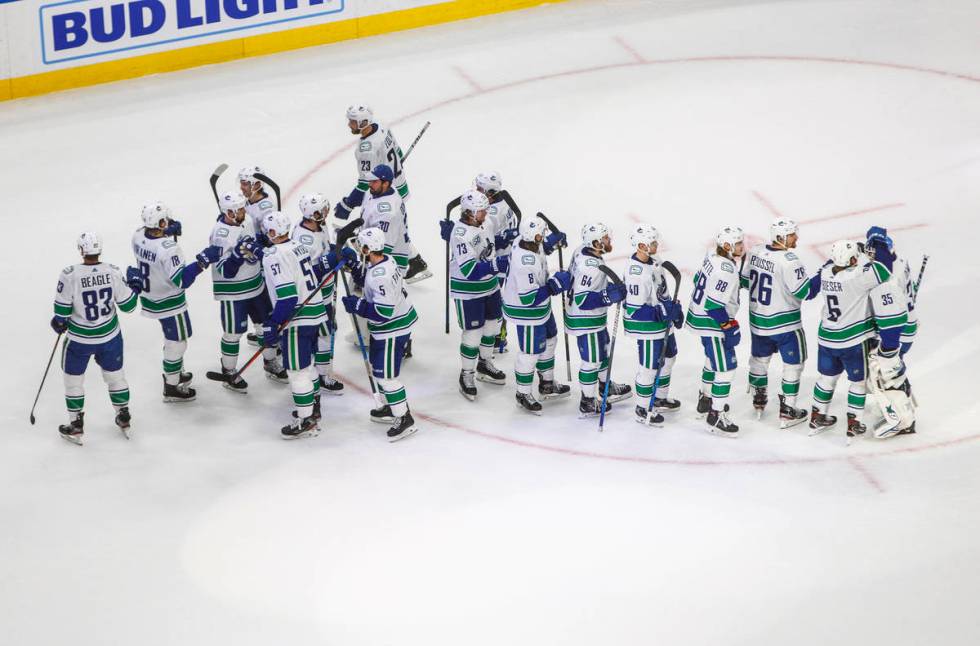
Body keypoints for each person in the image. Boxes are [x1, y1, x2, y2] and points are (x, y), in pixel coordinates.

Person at [807, 239, 903, 439]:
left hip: (826, 338)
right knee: (858, 382)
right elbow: (884, 270)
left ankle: (817, 416)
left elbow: (813, 284)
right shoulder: (857, 277)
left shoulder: (826, 272)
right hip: (852, 340)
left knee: (827, 378)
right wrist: (875, 250)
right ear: (851, 259)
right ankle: (854, 422)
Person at [52, 232, 139, 444]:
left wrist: (58, 323)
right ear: (99, 249)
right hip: (109, 337)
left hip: (79, 339)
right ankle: (123, 414)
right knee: (116, 377)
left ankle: (75, 424)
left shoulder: (69, 274)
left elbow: (61, 315)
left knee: (73, 382)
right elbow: (129, 306)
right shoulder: (113, 272)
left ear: (81, 251)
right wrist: (135, 286)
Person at [130, 201, 220, 402]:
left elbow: (153, 243)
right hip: (169, 301)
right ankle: (171, 385)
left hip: (150, 295)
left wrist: (165, 231)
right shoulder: (169, 248)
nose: (169, 222)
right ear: (160, 223)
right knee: (177, 342)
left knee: (175, 338)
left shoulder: (137, 235)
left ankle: (175, 372)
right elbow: (182, 280)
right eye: (166, 220)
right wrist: (202, 261)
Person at [334, 105, 429, 283]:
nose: (349, 125)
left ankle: (383, 267)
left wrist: (347, 204)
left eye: (353, 122)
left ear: (363, 123)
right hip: (397, 185)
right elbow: (398, 152)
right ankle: (415, 260)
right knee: (394, 228)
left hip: (384, 191)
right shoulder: (382, 126)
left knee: (381, 229)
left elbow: (364, 184)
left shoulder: (367, 149)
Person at [341, 227, 419, 441]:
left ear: (368, 248)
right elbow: (368, 274)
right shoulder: (385, 260)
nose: (358, 248)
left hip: (392, 328)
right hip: (393, 324)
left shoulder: (380, 277)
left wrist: (357, 305)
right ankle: (390, 406)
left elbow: (383, 312)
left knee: (386, 376)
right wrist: (355, 267)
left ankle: (404, 418)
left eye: (361, 246)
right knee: (378, 370)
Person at [260, 211, 331, 439]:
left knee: (297, 371)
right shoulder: (298, 245)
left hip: (298, 318)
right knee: (307, 366)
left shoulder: (273, 254)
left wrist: (273, 322)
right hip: (316, 311)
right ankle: (313, 407)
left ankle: (306, 420)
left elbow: (288, 296)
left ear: (272, 232)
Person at [204, 191, 280, 392]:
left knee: (268, 324)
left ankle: (270, 362)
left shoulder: (243, 222)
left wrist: (262, 242)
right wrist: (237, 254)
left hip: (256, 285)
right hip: (233, 293)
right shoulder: (220, 235)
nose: (242, 212)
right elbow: (225, 271)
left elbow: (253, 245)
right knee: (234, 333)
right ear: (228, 212)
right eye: (238, 210)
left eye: (242, 208)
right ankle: (228, 372)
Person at [739, 218, 811, 428]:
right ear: (781, 237)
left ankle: (759, 398)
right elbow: (805, 291)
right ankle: (788, 410)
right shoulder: (789, 260)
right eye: (792, 234)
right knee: (793, 365)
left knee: (759, 361)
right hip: (785, 324)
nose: (796, 237)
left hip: (758, 321)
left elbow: (744, 281)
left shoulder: (755, 251)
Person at [501, 215, 572, 414]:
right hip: (527, 311)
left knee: (551, 338)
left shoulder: (526, 241)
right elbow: (528, 298)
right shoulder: (525, 261)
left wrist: (551, 242)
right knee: (530, 352)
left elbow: (540, 248)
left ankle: (547, 383)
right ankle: (522, 393)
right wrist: (555, 285)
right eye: (543, 234)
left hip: (541, 308)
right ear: (535, 236)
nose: (544, 236)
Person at [565, 222, 632, 417]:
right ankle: (587, 401)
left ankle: (605, 386)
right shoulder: (590, 267)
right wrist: (608, 296)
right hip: (585, 319)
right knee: (591, 360)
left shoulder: (582, 250)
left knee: (604, 351)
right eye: (605, 239)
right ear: (595, 242)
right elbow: (583, 299)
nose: (608, 241)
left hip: (593, 318)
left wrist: (606, 291)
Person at [685, 225, 744, 436]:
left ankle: (706, 399)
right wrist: (728, 326)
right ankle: (715, 415)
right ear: (727, 246)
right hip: (711, 323)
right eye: (738, 243)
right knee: (726, 368)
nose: (742, 247)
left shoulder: (711, 255)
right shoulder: (725, 270)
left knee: (712, 361)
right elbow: (713, 305)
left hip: (698, 316)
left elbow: (696, 280)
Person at [449, 190, 508, 400]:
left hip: (490, 286)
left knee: (493, 326)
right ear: (469, 213)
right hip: (468, 291)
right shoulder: (459, 235)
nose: (486, 213)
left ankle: (484, 363)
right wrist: (495, 265)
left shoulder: (486, 223)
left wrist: (507, 239)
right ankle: (466, 374)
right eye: (482, 211)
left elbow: (490, 245)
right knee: (473, 334)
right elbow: (470, 271)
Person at [623, 224, 682, 426]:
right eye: (653, 242)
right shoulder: (635, 273)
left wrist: (673, 308)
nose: (657, 245)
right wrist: (664, 312)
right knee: (649, 367)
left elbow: (662, 292)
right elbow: (635, 311)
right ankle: (642, 407)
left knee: (669, 358)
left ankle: (659, 397)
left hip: (662, 322)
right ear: (641, 245)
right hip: (647, 327)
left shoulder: (655, 261)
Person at [292, 192, 344, 394]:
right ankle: (315, 374)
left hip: (325, 290)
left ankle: (323, 374)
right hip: (312, 296)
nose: (326, 212)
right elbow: (307, 271)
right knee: (318, 334)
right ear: (312, 213)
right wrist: (330, 260)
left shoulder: (319, 227)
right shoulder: (302, 238)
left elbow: (324, 250)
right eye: (322, 210)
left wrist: (336, 250)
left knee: (327, 331)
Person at [238, 165, 278, 348]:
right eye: (241, 183)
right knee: (257, 300)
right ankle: (263, 330)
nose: (242, 187)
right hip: (253, 259)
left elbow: (274, 238)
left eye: (245, 183)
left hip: (265, 260)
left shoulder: (267, 207)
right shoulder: (247, 203)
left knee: (268, 299)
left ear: (257, 184)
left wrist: (258, 244)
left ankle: (275, 336)